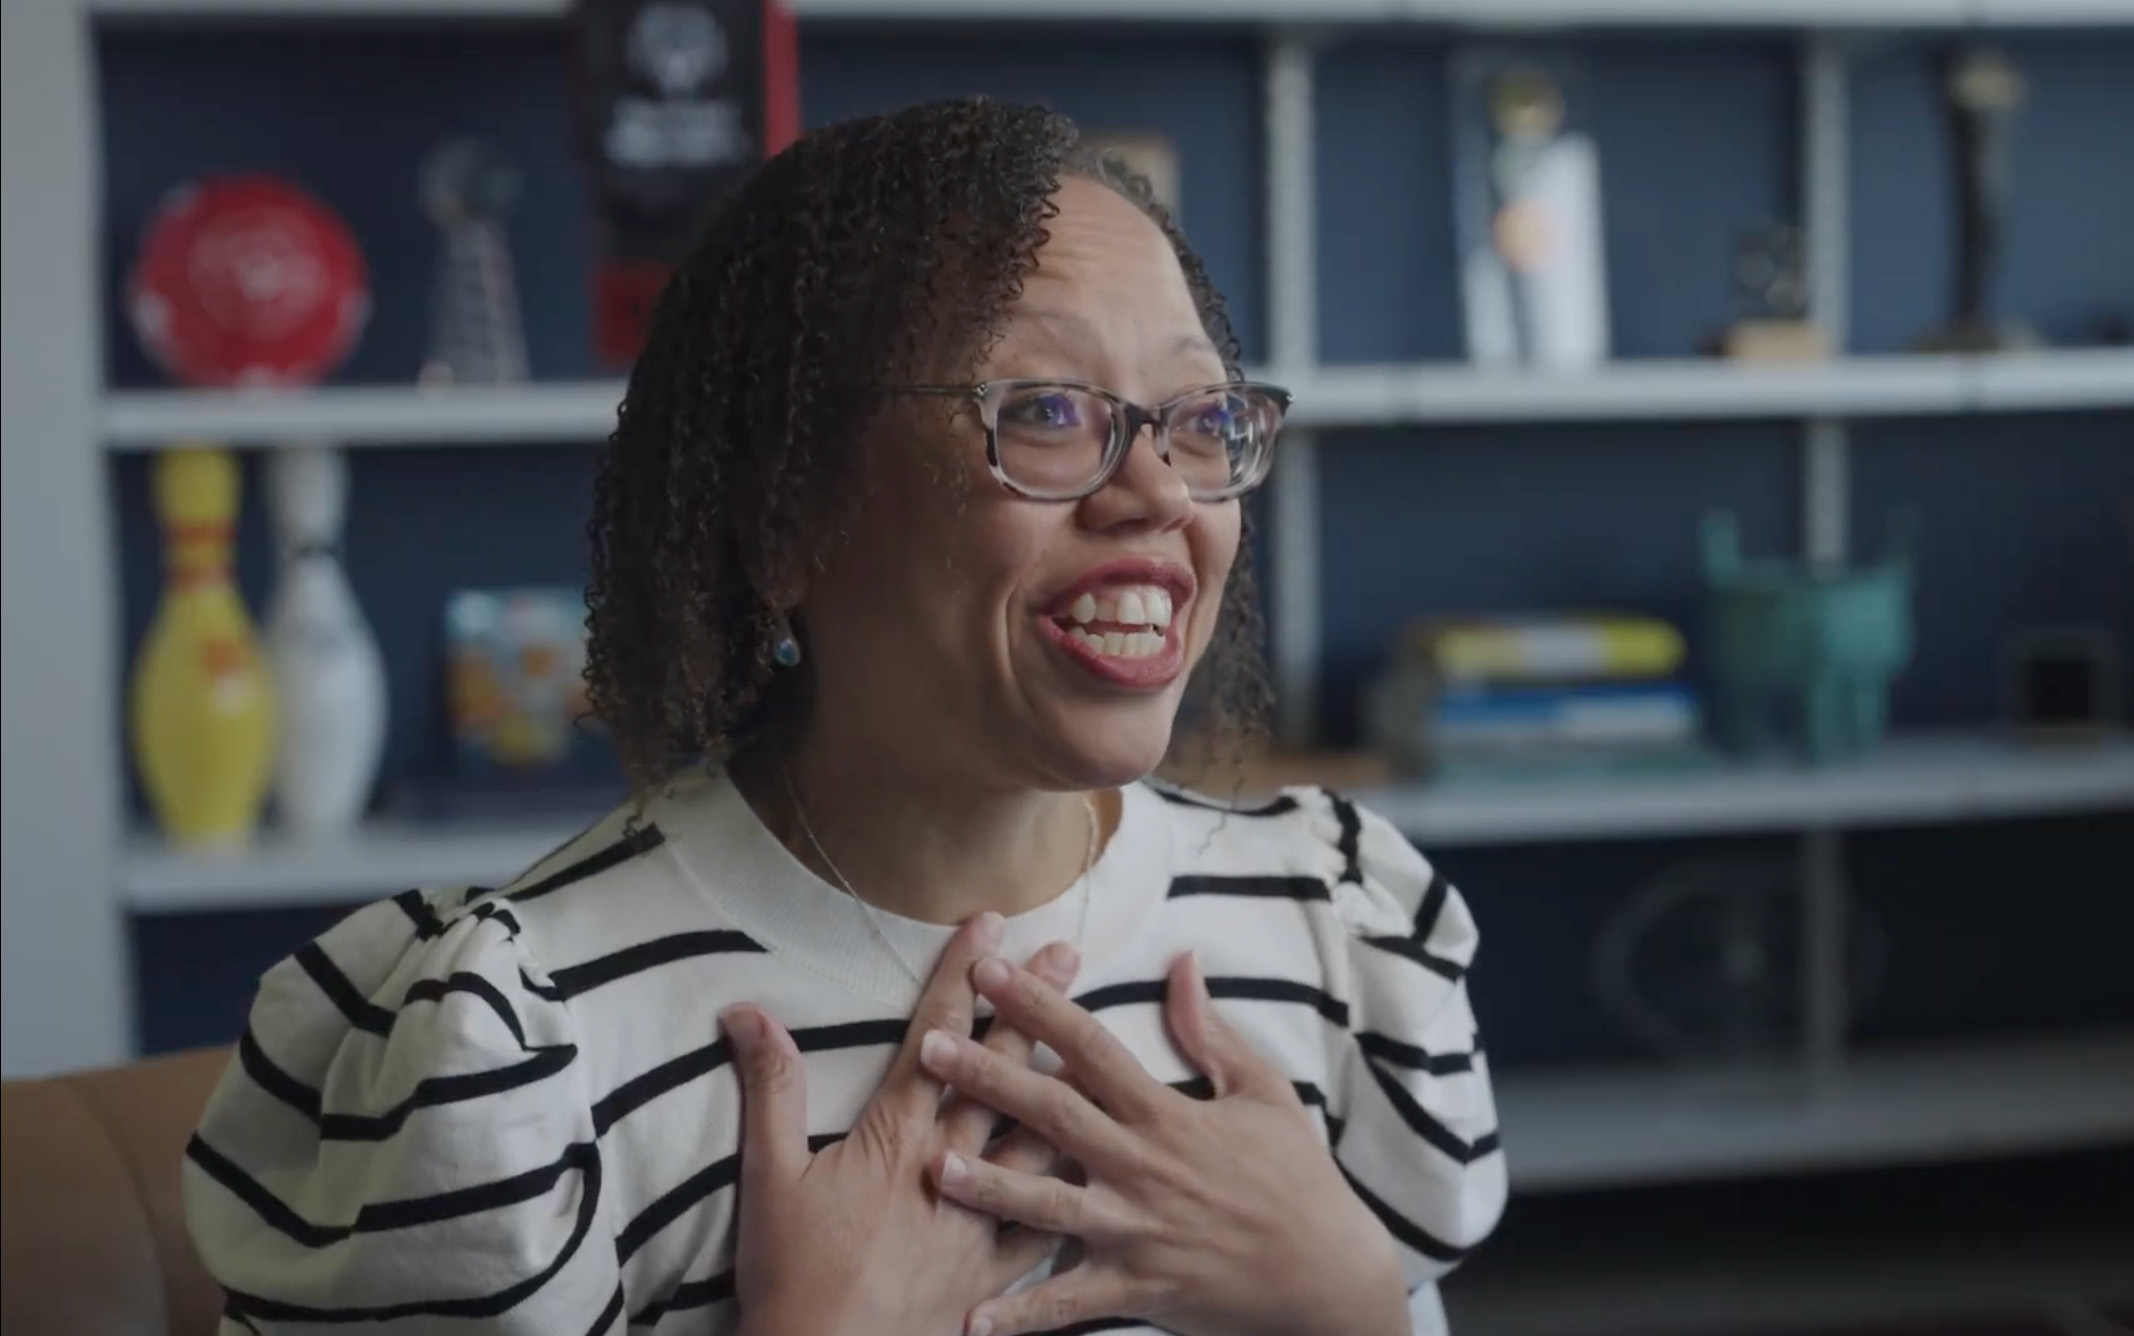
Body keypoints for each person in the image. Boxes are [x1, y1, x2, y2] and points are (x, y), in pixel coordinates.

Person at [185, 98, 1505, 1336]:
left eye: (1201, 416)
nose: (1160, 493)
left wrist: (1348, 1299)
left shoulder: (1334, 928)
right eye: (1044, 411)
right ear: (788, 515)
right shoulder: (520, 1054)